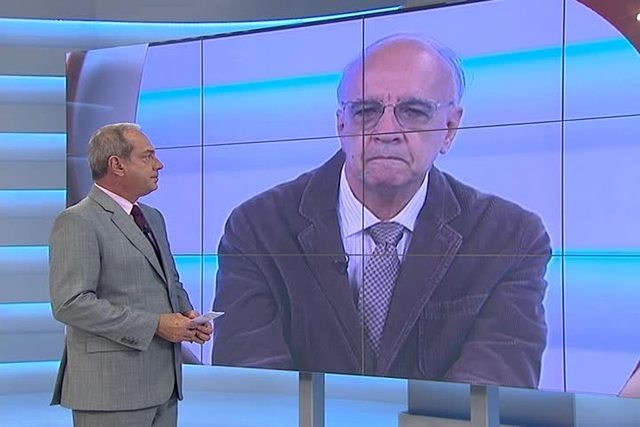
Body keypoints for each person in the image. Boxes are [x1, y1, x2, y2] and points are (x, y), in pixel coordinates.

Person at [211, 34, 551, 388]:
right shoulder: (258, 229)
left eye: (414, 111)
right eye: (366, 111)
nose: (387, 132)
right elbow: (253, 387)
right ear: (341, 125)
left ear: (450, 129)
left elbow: (489, 392)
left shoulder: (510, 239)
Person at [49, 123, 212, 426]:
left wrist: (187, 317)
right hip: (111, 391)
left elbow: (169, 280)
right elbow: (71, 303)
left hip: (163, 387)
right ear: (117, 165)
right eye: (147, 156)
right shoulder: (78, 221)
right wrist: (156, 325)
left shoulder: (152, 217)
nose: (159, 165)